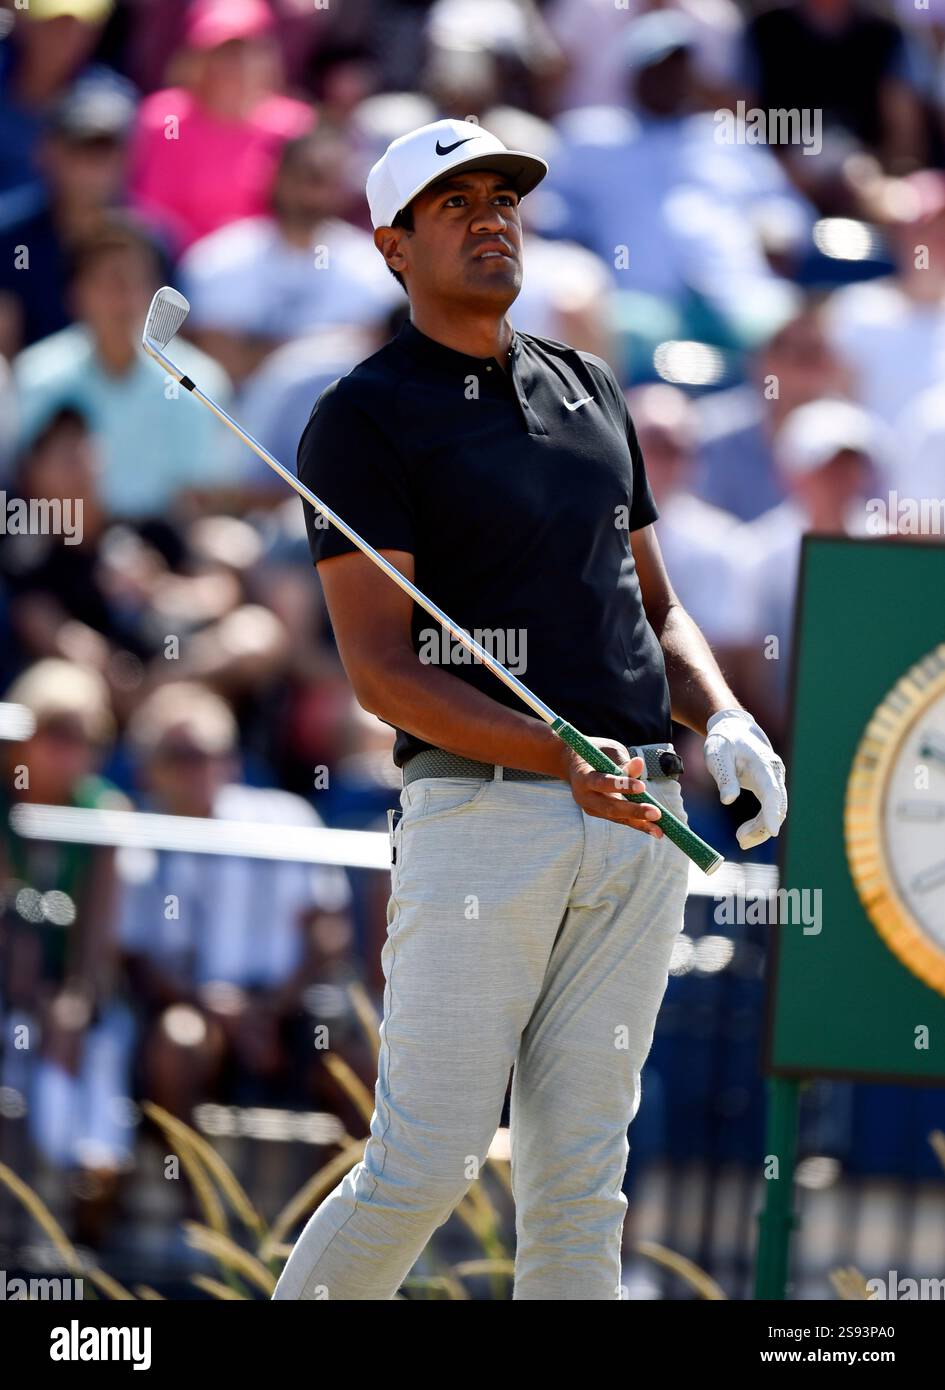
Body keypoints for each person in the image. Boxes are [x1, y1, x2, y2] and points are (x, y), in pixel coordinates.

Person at [272, 117, 787, 1302]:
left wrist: (723, 721)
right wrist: (557, 760)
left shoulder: (593, 385)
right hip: (484, 821)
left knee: (581, 1182)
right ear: (393, 245)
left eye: (504, 196)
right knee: (426, 1161)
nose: (492, 215)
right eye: (456, 203)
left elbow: (658, 606)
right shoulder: (363, 415)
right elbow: (382, 675)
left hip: (641, 822)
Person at [117, 682, 353, 1117]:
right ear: (148, 767)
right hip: (194, 1010)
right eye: (182, 756)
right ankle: (189, 1181)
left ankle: (359, 1185)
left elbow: (328, 928)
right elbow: (136, 960)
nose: (201, 768)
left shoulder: (286, 818)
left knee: (361, 1055)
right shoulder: (134, 838)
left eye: (214, 752)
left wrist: (271, 1007)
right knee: (179, 1042)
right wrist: (213, 1006)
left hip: (291, 1010)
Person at [13, 216, 233, 519]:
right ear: (75, 295)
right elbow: (31, 490)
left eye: (135, 281)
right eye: (108, 282)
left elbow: (200, 498)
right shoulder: (35, 376)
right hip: (64, 543)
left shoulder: (198, 380)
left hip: (168, 546)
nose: (122, 298)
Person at [127, 0, 314, 252]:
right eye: (220, 52)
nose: (232, 65)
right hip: (177, 269)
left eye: (244, 52)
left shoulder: (295, 126)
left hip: (266, 271)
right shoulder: (162, 120)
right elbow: (151, 217)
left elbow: (303, 215)